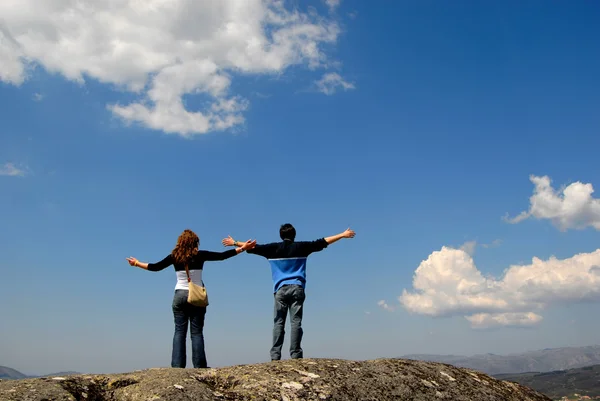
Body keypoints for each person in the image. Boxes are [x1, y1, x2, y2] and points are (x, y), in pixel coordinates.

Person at [221, 224, 355, 361]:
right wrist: (342, 235)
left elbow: (253, 246)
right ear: (294, 235)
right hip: (297, 288)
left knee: (278, 322)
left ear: (281, 235)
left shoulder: (273, 249)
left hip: (280, 289)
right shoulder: (302, 247)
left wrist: (235, 243)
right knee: (296, 322)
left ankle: (275, 356)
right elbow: (323, 242)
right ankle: (296, 354)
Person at [126, 229, 256, 369]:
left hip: (179, 295)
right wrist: (243, 248)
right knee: (196, 332)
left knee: (179, 332)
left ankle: (177, 367)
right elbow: (222, 256)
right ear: (195, 243)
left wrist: (137, 263)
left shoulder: (174, 256)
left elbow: (155, 267)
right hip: (196, 295)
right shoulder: (200, 255)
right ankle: (199, 366)